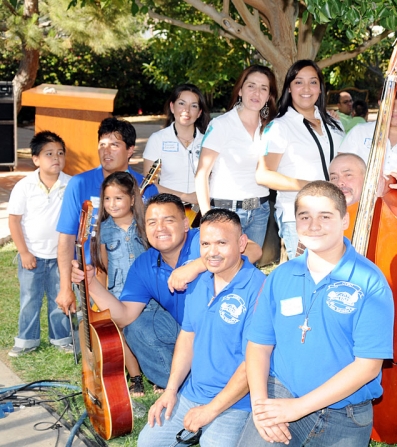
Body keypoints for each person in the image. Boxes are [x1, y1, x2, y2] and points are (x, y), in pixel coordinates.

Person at [238, 181, 394, 447]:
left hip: (344, 414)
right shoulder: (280, 276)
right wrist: (261, 407)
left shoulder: (370, 281)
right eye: (304, 217)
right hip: (281, 397)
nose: (313, 225)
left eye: (325, 216)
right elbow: (259, 346)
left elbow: (368, 366)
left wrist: (298, 408)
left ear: (345, 220)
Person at [71, 193, 262, 389]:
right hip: (188, 332)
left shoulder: (202, 240)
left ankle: (224, 384)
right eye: (152, 222)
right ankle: (183, 387)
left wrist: (197, 265)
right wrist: (92, 283)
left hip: (228, 329)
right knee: (137, 327)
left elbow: (254, 250)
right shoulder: (143, 264)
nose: (160, 228)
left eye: (168, 220)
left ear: (186, 224)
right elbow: (124, 316)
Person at [138, 209, 265, 447]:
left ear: (241, 243)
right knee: (147, 443)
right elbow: (188, 337)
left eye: (221, 243)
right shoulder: (198, 281)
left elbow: (253, 364)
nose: (212, 252)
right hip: (192, 393)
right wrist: (171, 390)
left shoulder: (259, 290)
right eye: (205, 243)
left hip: (237, 402)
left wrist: (210, 410)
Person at [55, 117, 159, 315]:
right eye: (102, 144)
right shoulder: (79, 183)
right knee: (96, 342)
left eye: (114, 144)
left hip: (135, 283)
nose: (106, 150)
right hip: (88, 279)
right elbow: (66, 237)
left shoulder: (145, 188)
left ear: (130, 150)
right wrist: (65, 286)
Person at [255, 60, 344, 260]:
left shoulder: (335, 123)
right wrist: (315, 186)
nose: (306, 89)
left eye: (313, 82)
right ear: (289, 88)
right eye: (298, 82)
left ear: (320, 89)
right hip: (299, 217)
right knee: (307, 278)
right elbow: (263, 175)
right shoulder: (279, 127)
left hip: (335, 214)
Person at [195, 66, 277, 248]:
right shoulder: (221, 125)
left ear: (269, 95)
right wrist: (208, 217)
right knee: (223, 270)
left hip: (260, 211)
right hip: (225, 212)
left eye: (264, 88)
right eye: (251, 86)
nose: (257, 93)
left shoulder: (271, 127)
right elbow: (202, 174)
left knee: (249, 270)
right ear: (240, 90)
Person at [8, 131, 72, 357]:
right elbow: (14, 220)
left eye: (60, 153)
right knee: (29, 299)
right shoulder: (24, 186)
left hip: (61, 258)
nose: (56, 158)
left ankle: (61, 338)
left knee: (60, 298)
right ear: (35, 159)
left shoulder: (71, 185)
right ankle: (26, 340)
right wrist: (24, 252)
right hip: (32, 255)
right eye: (49, 154)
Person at [89, 172, 148, 396]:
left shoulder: (145, 225)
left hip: (146, 293)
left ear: (132, 199)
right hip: (118, 293)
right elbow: (102, 267)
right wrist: (100, 298)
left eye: (118, 198)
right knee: (120, 333)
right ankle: (135, 377)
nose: (112, 204)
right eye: (107, 199)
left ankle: (156, 372)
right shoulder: (103, 230)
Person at [339, 85, 397, 183]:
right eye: (389, 102)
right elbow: (339, 171)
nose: (395, 109)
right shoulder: (359, 132)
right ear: (380, 104)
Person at [143, 84, 210, 205]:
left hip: (202, 211)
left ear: (199, 113)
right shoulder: (157, 139)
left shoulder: (208, 141)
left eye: (193, 106)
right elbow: (149, 186)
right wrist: (186, 197)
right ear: (172, 107)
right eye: (181, 103)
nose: (187, 110)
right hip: (168, 209)